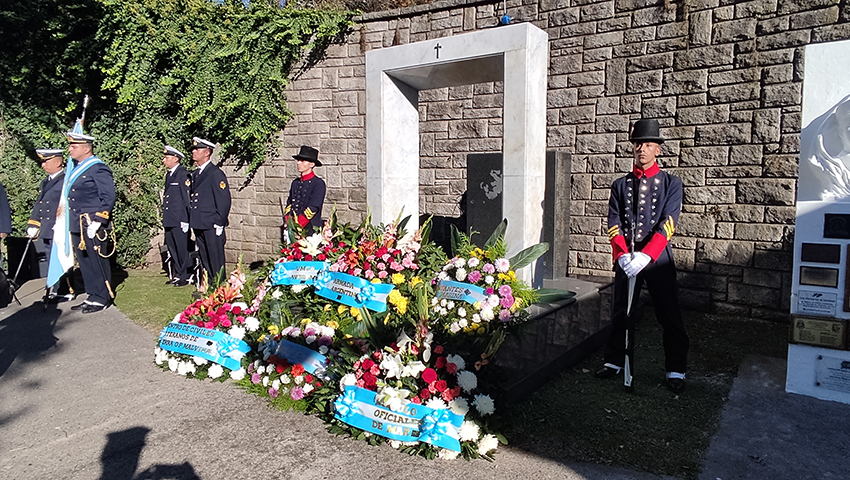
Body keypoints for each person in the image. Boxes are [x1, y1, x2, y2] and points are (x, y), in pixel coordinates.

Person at [595, 119, 689, 393]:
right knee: (621, 313)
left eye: (648, 144)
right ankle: (614, 362)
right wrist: (623, 255)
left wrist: (646, 256)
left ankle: (676, 369)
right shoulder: (620, 185)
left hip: (657, 258)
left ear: (658, 149)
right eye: (638, 144)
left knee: (669, 314)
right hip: (628, 257)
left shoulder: (671, 183)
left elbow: (669, 222)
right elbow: (614, 222)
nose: (642, 149)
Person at [65, 132, 116, 314]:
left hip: (91, 223)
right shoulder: (76, 168)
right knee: (85, 262)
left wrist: (99, 220)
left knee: (97, 261)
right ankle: (92, 295)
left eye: (74, 146)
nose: (70, 149)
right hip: (77, 223)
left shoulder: (97, 168)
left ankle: (102, 297)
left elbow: (108, 196)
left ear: (86, 148)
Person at [27, 149, 72, 302]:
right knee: (50, 259)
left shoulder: (66, 180)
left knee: (60, 259)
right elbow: (40, 204)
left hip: (59, 227)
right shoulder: (46, 182)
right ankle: (55, 288)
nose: (43, 164)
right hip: (47, 228)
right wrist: (33, 223)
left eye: (46, 161)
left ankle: (64, 289)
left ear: (58, 162)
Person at [188, 137, 230, 283]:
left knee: (215, 257)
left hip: (211, 223)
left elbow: (223, 200)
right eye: (194, 149)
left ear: (206, 153)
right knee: (204, 256)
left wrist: (220, 221)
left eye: (197, 149)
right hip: (199, 222)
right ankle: (210, 283)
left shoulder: (215, 173)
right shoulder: (195, 174)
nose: (193, 152)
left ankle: (220, 287)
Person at [161, 145, 192, 287]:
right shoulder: (170, 174)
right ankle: (177, 274)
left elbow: (186, 199)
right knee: (172, 247)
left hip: (179, 219)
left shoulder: (183, 174)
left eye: (166, 158)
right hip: (170, 218)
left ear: (175, 158)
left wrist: (186, 219)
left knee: (181, 248)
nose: (163, 160)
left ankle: (185, 275)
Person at [284, 145, 326, 235]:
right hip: (292, 228)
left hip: (310, 229)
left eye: (302, 161)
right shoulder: (295, 183)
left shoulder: (318, 184)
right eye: (298, 160)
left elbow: (313, 208)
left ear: (312, 164)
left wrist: (297, 226)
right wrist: (289, 221)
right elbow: (289, 203)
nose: (298, 163)